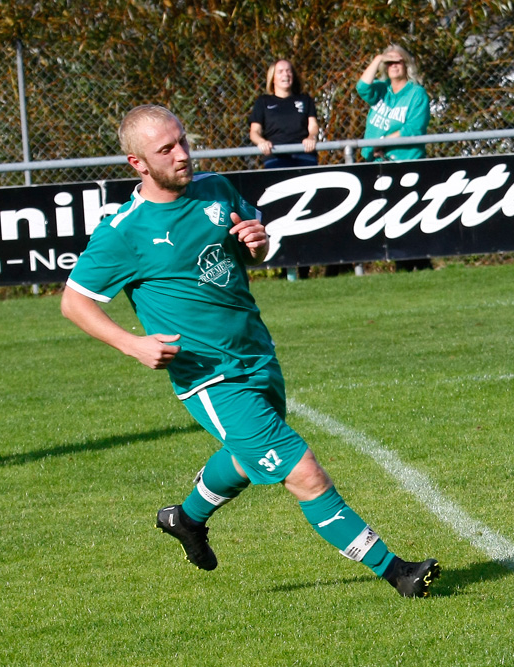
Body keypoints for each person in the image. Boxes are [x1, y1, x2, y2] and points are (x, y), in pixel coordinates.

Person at [60, 104, 439, 597]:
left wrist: (258, 241)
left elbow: (252, 247)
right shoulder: (124, 231)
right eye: (166, 149)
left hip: (257, 354)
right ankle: (397, 572)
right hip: (208, 377)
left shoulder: (215, 189)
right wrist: (132, 344)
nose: (182, 155)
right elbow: (74, 302)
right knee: (301, 470)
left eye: (183, 141)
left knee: (246, 456)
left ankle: (185, 518)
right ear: (137, 164)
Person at [356, 44, 430, 162]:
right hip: (376, 160)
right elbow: (362, 87)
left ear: (406, 65)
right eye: (389, 62)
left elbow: (413, 129)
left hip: (405, 161)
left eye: (398, 62)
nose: (393, 65)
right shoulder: (382, 88)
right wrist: (379, 59)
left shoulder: (417, 93)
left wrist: (381, 142)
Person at [249, 59, 320, 169]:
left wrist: (311, 137)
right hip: (275, 159)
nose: (285, 74)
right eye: (280, 71)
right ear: (273, 78)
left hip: (304, 156)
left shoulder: (305, 100)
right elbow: (254, 132)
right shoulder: (263, 102)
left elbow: (313, 126)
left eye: (288, 71)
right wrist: (261, 142)